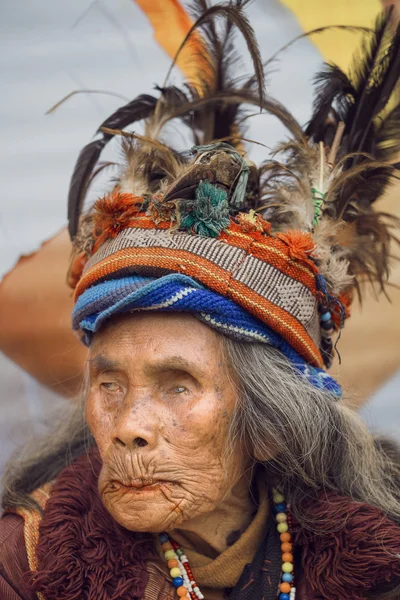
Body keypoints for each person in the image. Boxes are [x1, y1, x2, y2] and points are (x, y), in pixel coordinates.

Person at [1, 2, 400, 599]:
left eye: (177, 384)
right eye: (108, 384)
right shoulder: (27, 567)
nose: (128, 429)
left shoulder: (380, 560)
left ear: (269, 426)